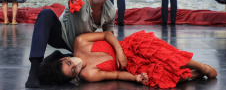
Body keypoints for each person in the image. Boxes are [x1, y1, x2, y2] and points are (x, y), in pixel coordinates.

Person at [25, 0, 119, 88]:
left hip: (82, 45)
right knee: (46, 14)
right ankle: (34, 69)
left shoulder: (110, 11)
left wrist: (117, 52)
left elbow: (108, 34)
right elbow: (75, 5)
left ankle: (61, 56)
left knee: (81, 68)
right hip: (62, 36)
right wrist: (73, 1)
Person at [38, 30, 217, 89]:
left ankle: (202, 67)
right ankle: (192, 74)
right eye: (74, 71)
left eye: (70, 63)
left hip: (130, 46)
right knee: (158, 78)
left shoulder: (80, 41)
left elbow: (107, 34)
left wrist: (120, 52)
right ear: (75, 76)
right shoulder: (89, 74)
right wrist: (135, 78)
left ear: (65, 58)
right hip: (131, 66)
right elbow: (115, 75)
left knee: (162, 54)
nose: (76, 65)